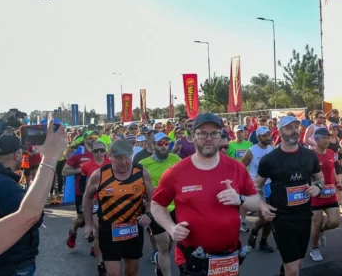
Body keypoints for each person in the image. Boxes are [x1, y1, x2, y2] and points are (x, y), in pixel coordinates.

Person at [150, 113, 262, 276]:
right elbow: (157, 204)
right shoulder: (176, 172)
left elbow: (256, 202)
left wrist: (240, 199)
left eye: (214, 133)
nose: (208, 138)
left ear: (221, 136)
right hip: (193, 258)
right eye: (202, 133)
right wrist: (171, 228)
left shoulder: (236, 168)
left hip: (229, 258)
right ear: (193, 136)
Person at [0, 121, 67, 274]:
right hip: (11, 263)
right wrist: (50, 157)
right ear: (17, 155)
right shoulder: (5, 185)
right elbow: (31, 218)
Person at [254, 116, 323, 276]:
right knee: (293, 269)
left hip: (305, 215)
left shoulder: (309, 155)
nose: (294, 131)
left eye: (296, 127)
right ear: (280, 131)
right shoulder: (270, 159)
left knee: (298, 263)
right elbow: (256, 184)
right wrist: (262, 205)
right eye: (289, 128)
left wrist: (317, 187)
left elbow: (319, 178)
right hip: (281, 217)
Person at [82, 140, 155, 276]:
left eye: (126, 157)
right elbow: (87, 197)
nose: (123, 162)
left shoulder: (141, 172)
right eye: (118, 158)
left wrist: (148, 214)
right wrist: (89, 224)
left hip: (133, 228)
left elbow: (152, 199)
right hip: (109, 229)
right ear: (110, 156)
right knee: (113, 273)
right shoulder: (100, 175)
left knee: (132, 272)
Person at [139, 133, 181, 276]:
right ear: (153, 145)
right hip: (156, 207)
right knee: (163, 245)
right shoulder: (144, 163)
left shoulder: (176, 160)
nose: (164, 147)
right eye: (160, 144)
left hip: (175, 207)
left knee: (169, 243)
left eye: (166, 144)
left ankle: (159, 260)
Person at [308, 128, 342, 262]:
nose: (327, 140)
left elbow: (332, 168)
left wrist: (337, 182)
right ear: (316, 139)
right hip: (315, 195)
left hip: (330, 192)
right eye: (324, 138)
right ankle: (314, 248)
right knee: (316, 223)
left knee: (334, 222)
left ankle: (321, 231)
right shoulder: (310, 155)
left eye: (328, 137)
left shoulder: (331, 152)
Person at [80, 141, 112, 274]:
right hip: (95, 201)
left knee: (110, 232)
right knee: (98, 232)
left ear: (105, 151)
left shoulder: (111, 163)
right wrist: (88, 198)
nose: (99, 153)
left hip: (111, 200)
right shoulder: (86, 166)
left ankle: (110, 256)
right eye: (96, 151)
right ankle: (100, 263)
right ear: (92, 152)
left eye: (101, 150)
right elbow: (82, 184)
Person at [242, 126, 275, 253]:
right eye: (264, 135)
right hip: (256, 185)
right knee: (265, 216)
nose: (267, 137)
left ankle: (263, 241)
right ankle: (254, 231)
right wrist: (246, 183)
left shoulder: (272, 149)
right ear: (258, 137)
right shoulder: (251, 151)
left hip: (270, 184)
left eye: (268, 134)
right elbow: (242, 167)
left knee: (271, 216)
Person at [63, 131, 97, 249]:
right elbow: (64, 171)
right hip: (81, 191)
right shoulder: (78, 154)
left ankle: (96, 247)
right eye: (91, 137)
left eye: (96, 137)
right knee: (81, 219)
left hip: (98, 192)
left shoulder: (100, 154)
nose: (93, 139)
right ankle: (73, 232)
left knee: (97, 218)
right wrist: (81, 171)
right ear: (85, 138)